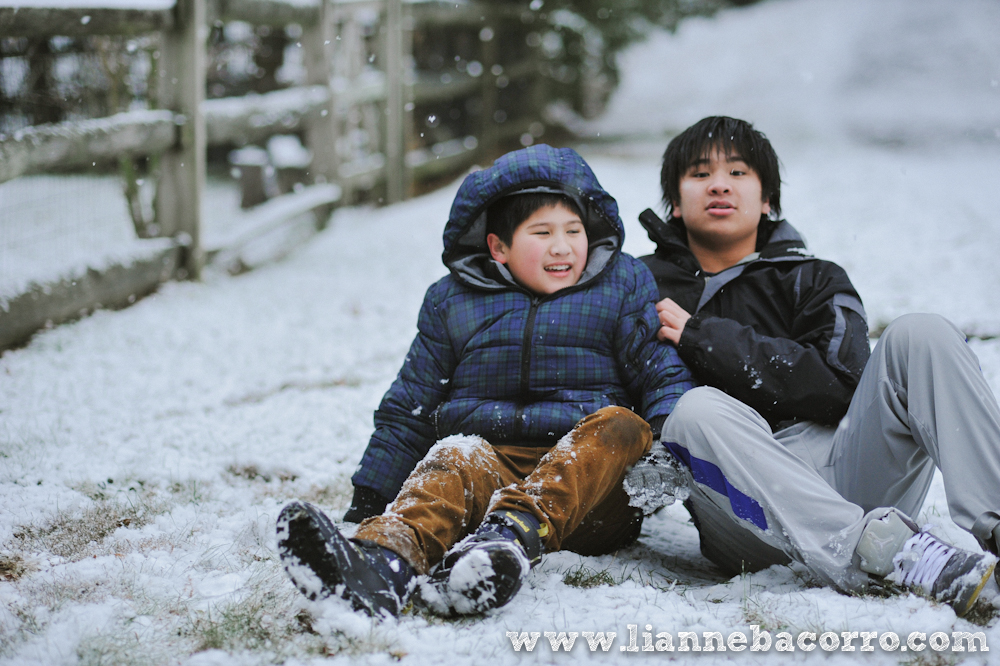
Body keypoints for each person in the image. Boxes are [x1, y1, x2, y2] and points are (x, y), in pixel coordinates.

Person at [276, 144, 694, 618]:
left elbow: (661, 369)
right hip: (493, 469)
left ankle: (510, 538)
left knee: (621, 425)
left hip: (591, 492)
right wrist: (371, 495)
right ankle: (381, 563)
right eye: (542, 232)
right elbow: (411, 402)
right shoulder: (452, 301)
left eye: (573, 231)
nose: (563, 246)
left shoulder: (621, 286)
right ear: (498, 247)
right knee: (454, 453)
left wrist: (667, 451)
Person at [624, 116, 1000, 616]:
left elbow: (842, 384)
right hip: (742, 512)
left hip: (847, 472)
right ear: (675, 201)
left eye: (737, 173)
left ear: (767, 200)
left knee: (922, 332)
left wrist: (702, 337)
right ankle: (877, 556)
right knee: (694, 410)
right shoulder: (638, 288)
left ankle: (972, 530)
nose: (718, 184)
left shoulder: (813, 278)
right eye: (699, 173)